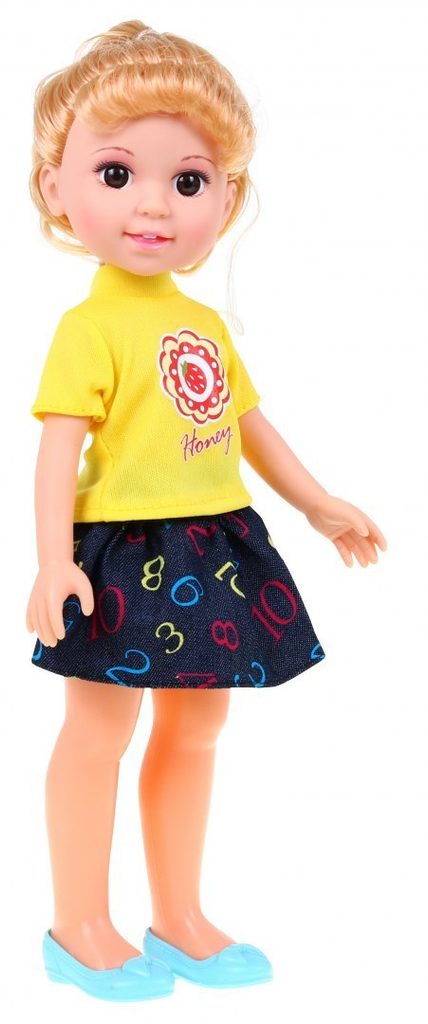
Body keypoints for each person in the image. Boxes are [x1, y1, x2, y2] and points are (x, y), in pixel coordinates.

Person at [26, 19, 387, 1002]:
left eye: (187, 180)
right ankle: (77, 923)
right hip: (121, 552)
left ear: (225, 197)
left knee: (196, 730)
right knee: (98, 730)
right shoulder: (88, 328)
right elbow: (58, 450)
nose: (153, 204)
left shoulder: (203, 325)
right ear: (55, 186)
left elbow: (246, 424)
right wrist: (53, 559)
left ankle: (178, 914)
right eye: (116, 173)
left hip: (215, 541)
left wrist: (317, 503)